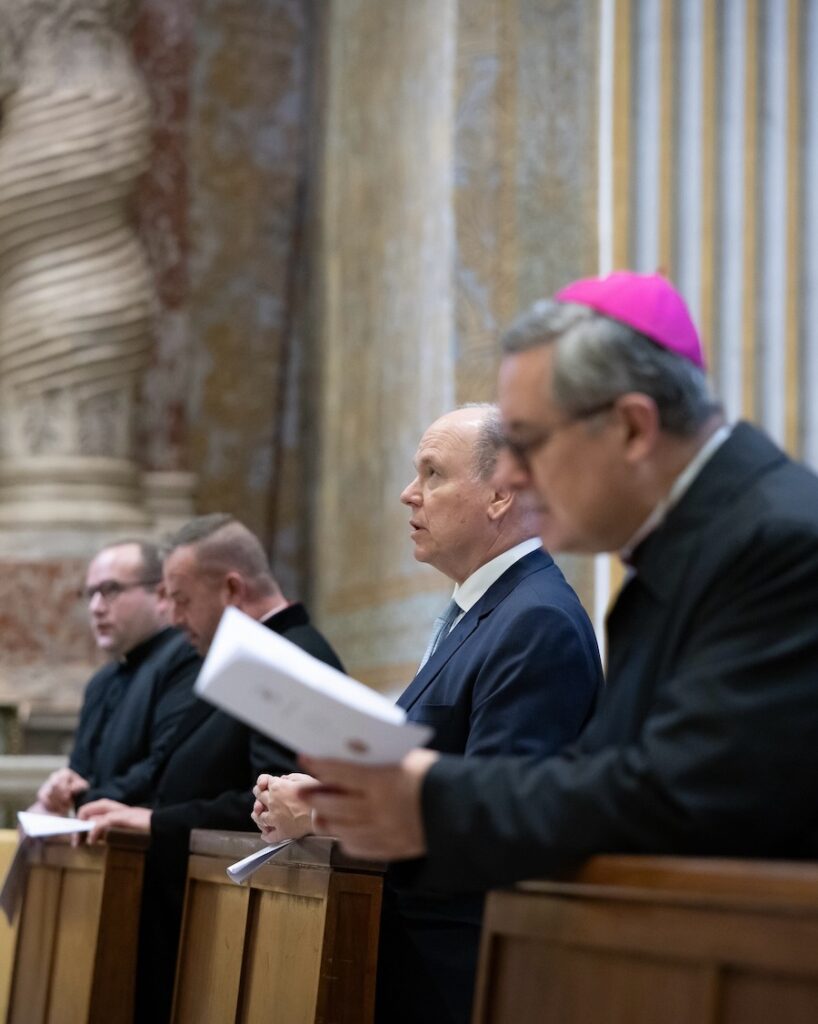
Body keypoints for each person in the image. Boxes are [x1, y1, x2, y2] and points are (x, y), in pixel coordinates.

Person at [294, 270, 818, 895]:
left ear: (631, 427)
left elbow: (682, 797)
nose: (512, 476)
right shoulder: (696, 545)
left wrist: (427, 796)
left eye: (527, 442)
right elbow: (606, 771)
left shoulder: (781, 545)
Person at [253, 405, 603, 1024]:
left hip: (461, 977)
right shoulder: (484, 613)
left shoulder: (536, 621)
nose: (409, 495)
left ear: (500, 495)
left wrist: (330, 815)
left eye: (433, 473)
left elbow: (498, 822)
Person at [78, 514, 344, 1024]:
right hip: (195, 915)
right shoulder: (253, 660)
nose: (173, 618)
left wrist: (153, 821)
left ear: (230, 588)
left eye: (181, 599)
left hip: (239, 934)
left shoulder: (287, 661)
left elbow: (269, 809)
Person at [34, 540, 199, 815]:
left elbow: (164, 766)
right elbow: (80, 770)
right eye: (91, 593)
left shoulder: (186, 658)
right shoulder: (102, 681)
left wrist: (86, 798)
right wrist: (61, 786)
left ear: (160, 595)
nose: (96, 607)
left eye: (111, 590)